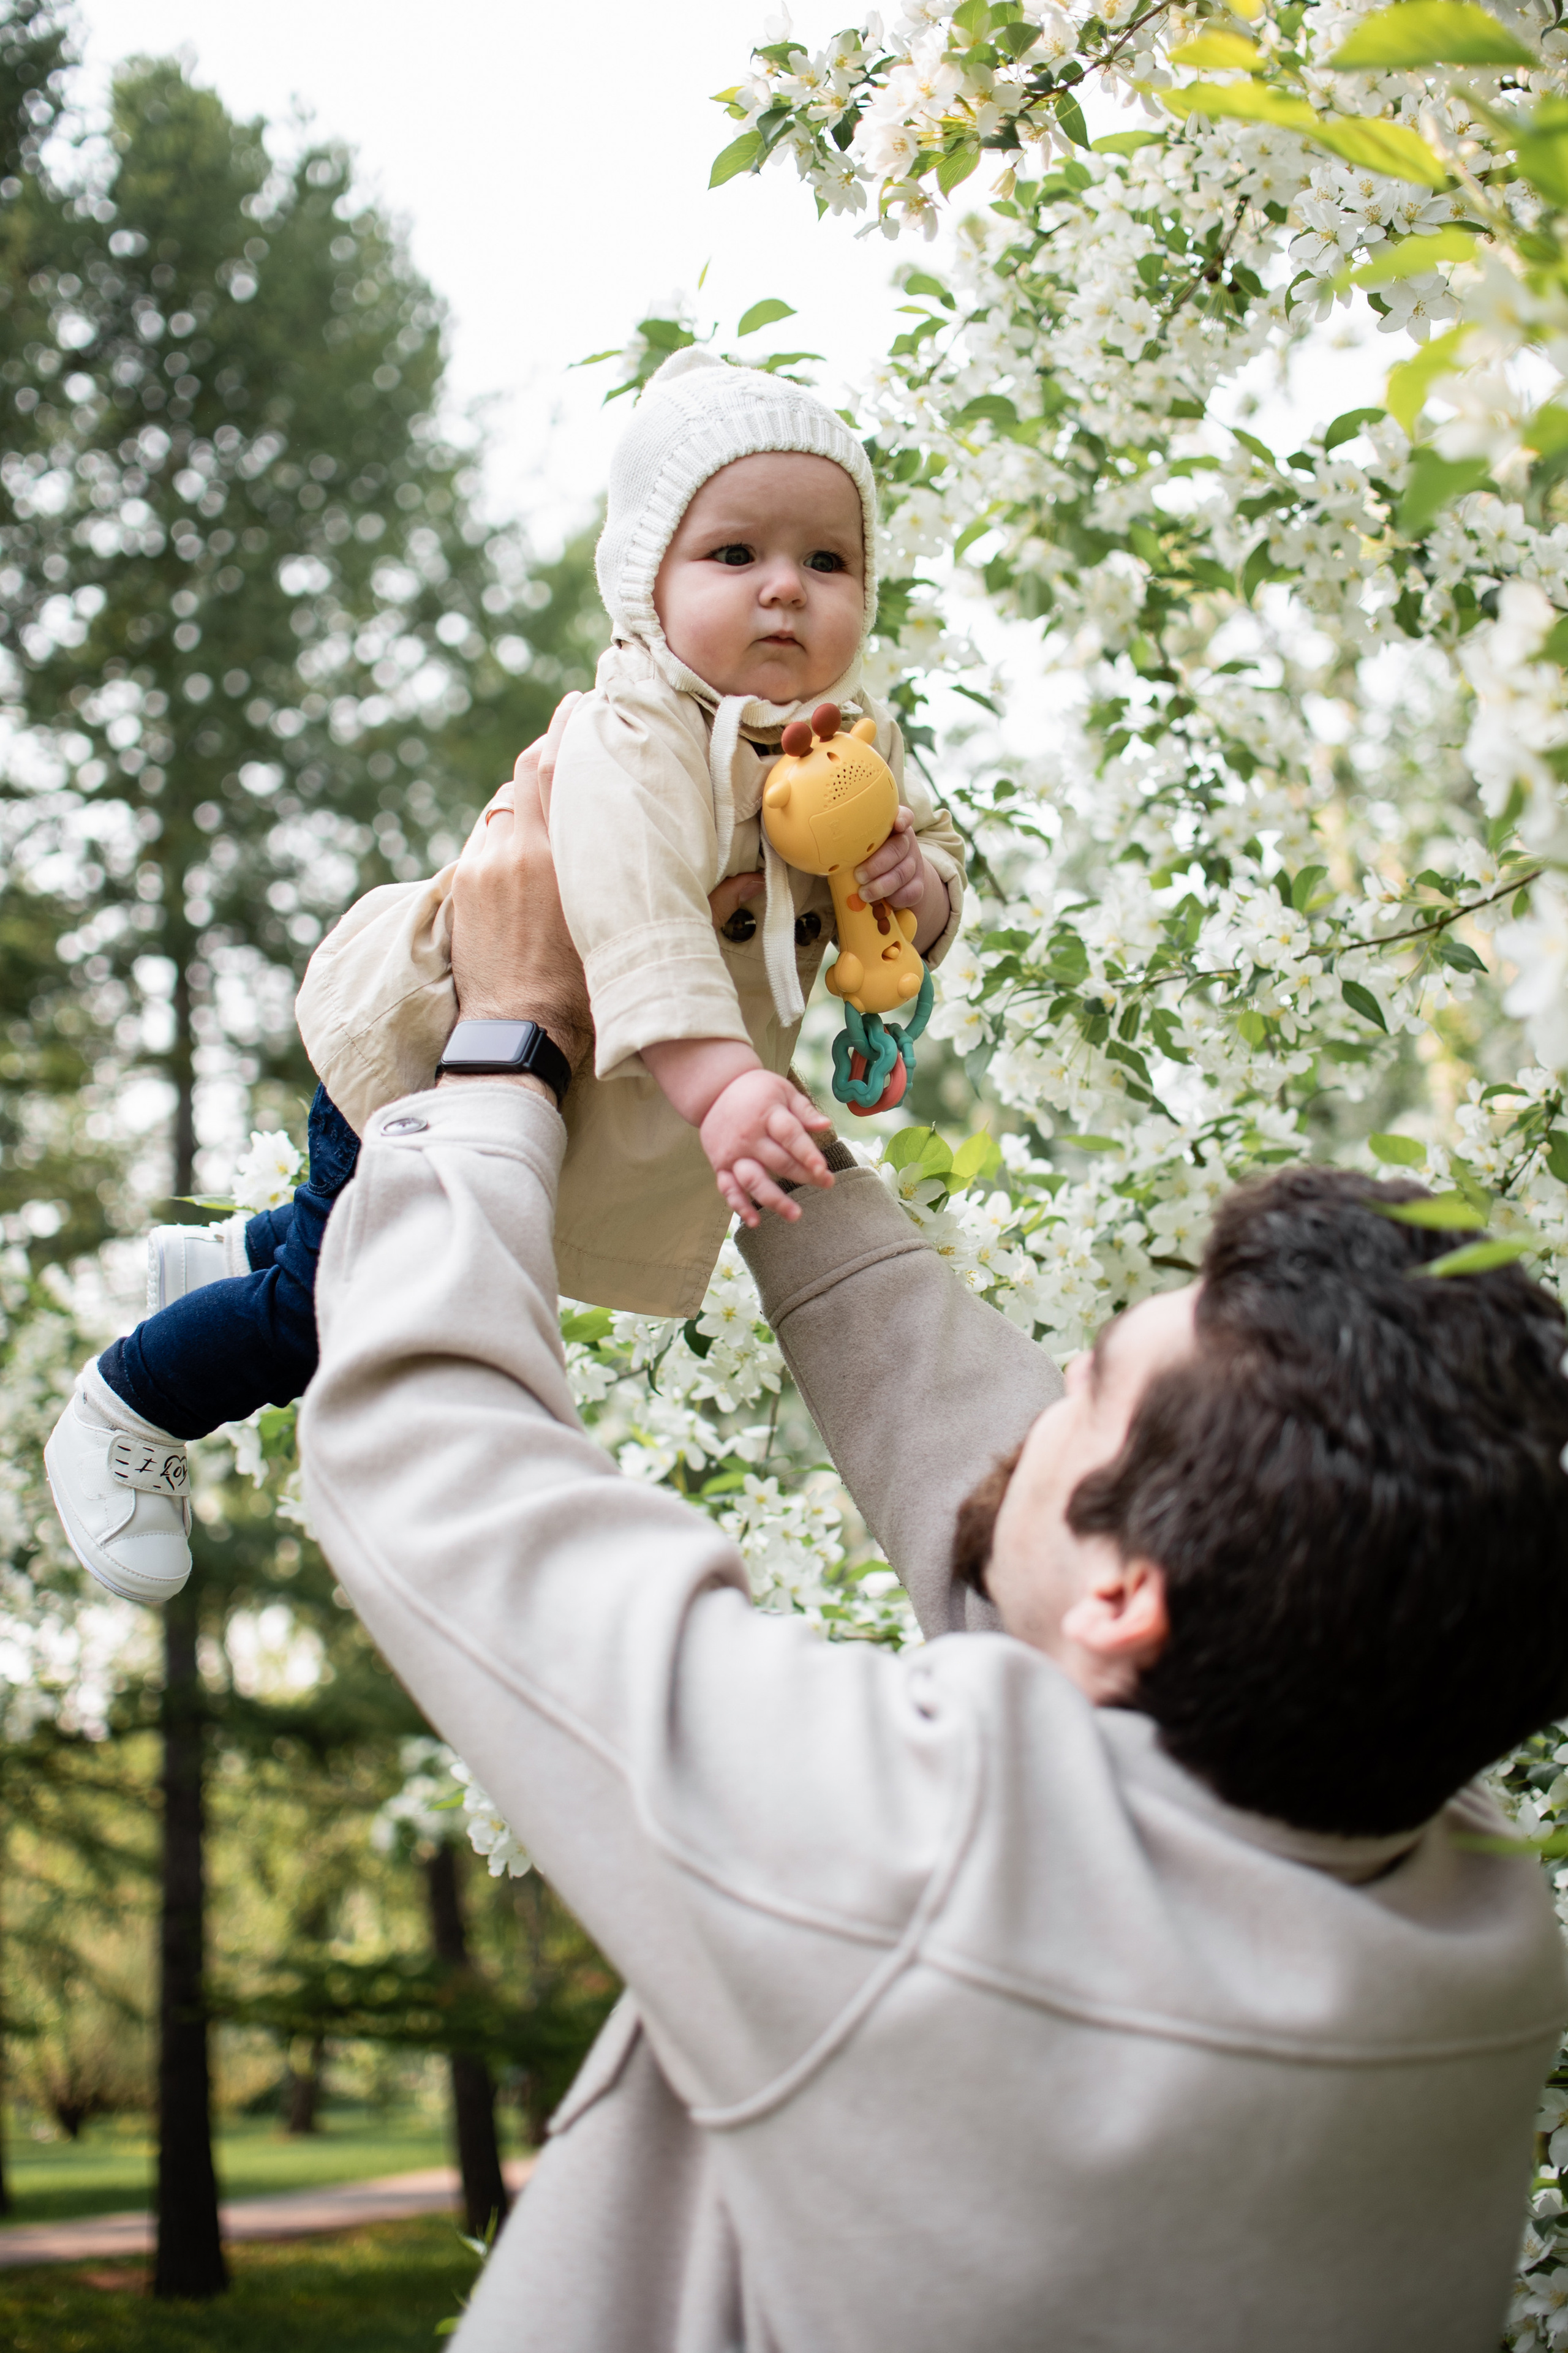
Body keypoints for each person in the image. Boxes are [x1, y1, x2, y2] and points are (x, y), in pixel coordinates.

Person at [298, 750, 1568, 2352]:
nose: (1035, 1409)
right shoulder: (1459, 1888)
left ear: (1130, 1593)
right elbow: (1017, 1494)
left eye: (1084, 1389)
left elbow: (425, 1457)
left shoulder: (920, 1881)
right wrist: (742, 1106)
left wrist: (507, 1047)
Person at [42, 352, 966, 1605]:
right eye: (734, 556)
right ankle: (130, 1404)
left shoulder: (854, 738)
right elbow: (635, 917)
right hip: (445, 1048)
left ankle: (222, 1263)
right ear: (646, 585)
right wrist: (723, 1086)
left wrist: (922, 887)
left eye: (826, 562)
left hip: (558, 1091)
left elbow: (925, 853)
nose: (784, 595)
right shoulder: (633, 732)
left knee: (334, 1241)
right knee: (343, 1303)